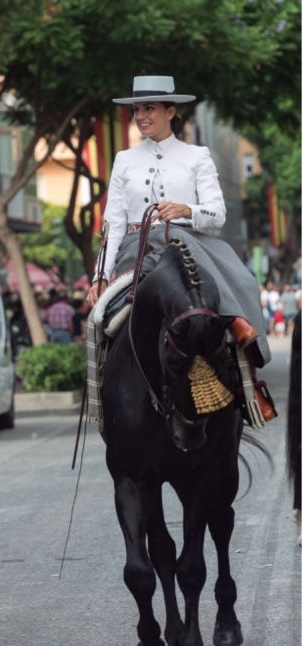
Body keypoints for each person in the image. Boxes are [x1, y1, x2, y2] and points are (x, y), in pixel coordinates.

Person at [85, 75, 275, 422]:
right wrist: (99, 275)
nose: (141, 115)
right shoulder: (124, 160)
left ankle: (250, 388)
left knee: (243, 282)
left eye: (150, 108)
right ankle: (106, 405)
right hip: (138, 247)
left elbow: (217, 213)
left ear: (171, 111)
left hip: (189, 244)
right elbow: (112, 223)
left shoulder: (196, 155)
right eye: (137, 109)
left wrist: (188, 210)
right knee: (99, 316)